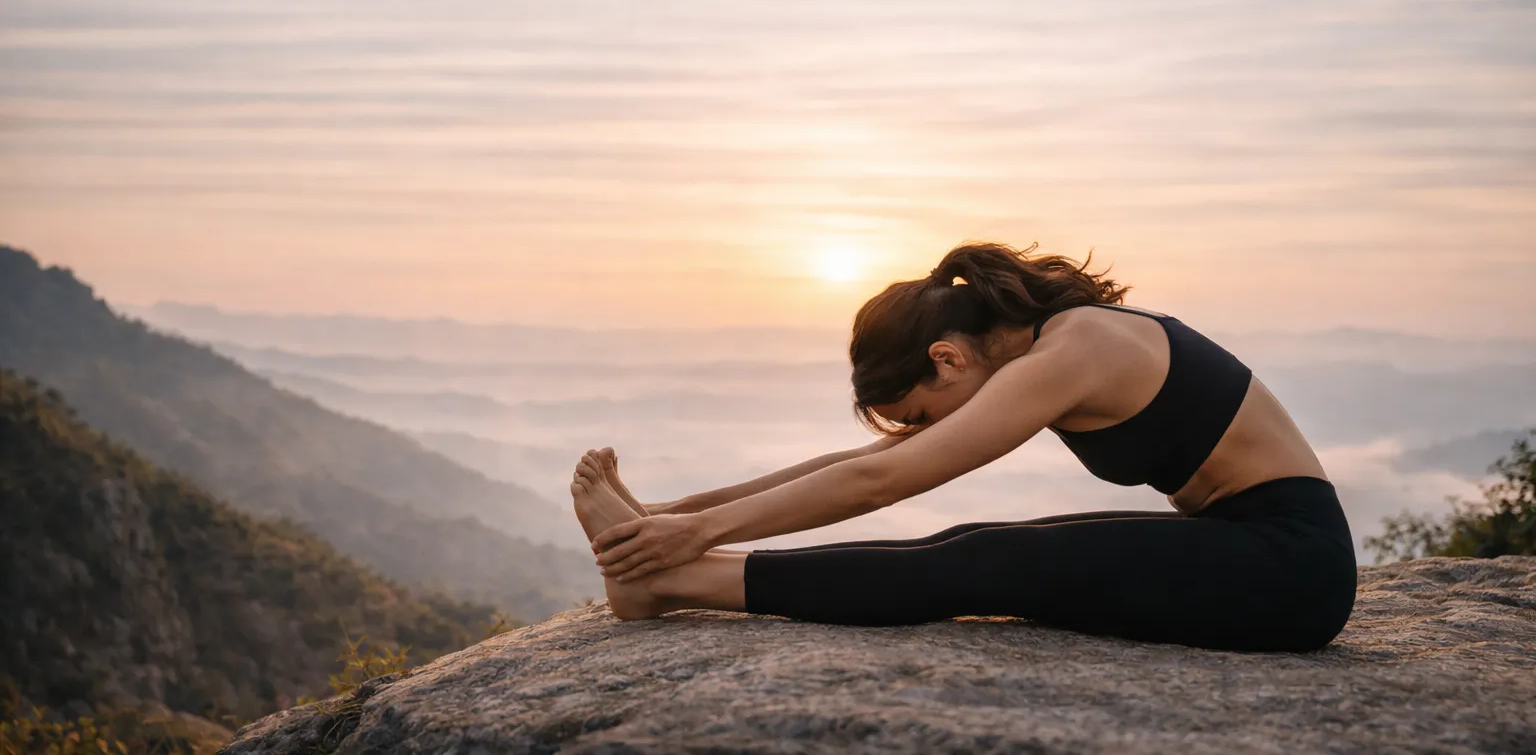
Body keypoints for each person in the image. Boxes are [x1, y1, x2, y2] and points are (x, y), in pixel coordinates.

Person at [570, 241, 1357, 651]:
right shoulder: (1042, 348)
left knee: (983, 562)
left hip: (1290, 569)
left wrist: (694, 537)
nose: (919, 434)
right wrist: (676, 511)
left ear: (946, 357)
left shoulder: (1074, 351)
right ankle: (666, 570)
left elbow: (883, 481)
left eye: (915, 413)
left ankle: (672, 585)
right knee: (978, 547)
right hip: (1243, 545)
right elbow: (864, 465)